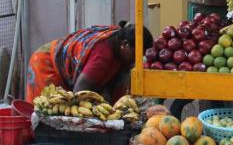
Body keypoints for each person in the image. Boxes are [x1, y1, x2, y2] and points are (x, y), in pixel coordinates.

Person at [25, 21, 153, 102]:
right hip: (46, 64)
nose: (137, 59)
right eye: (136, 54)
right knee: (47, 111)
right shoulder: (102, 58)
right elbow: (78, 93)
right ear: (124, 45)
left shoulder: (119, 37)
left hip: (62, 63)